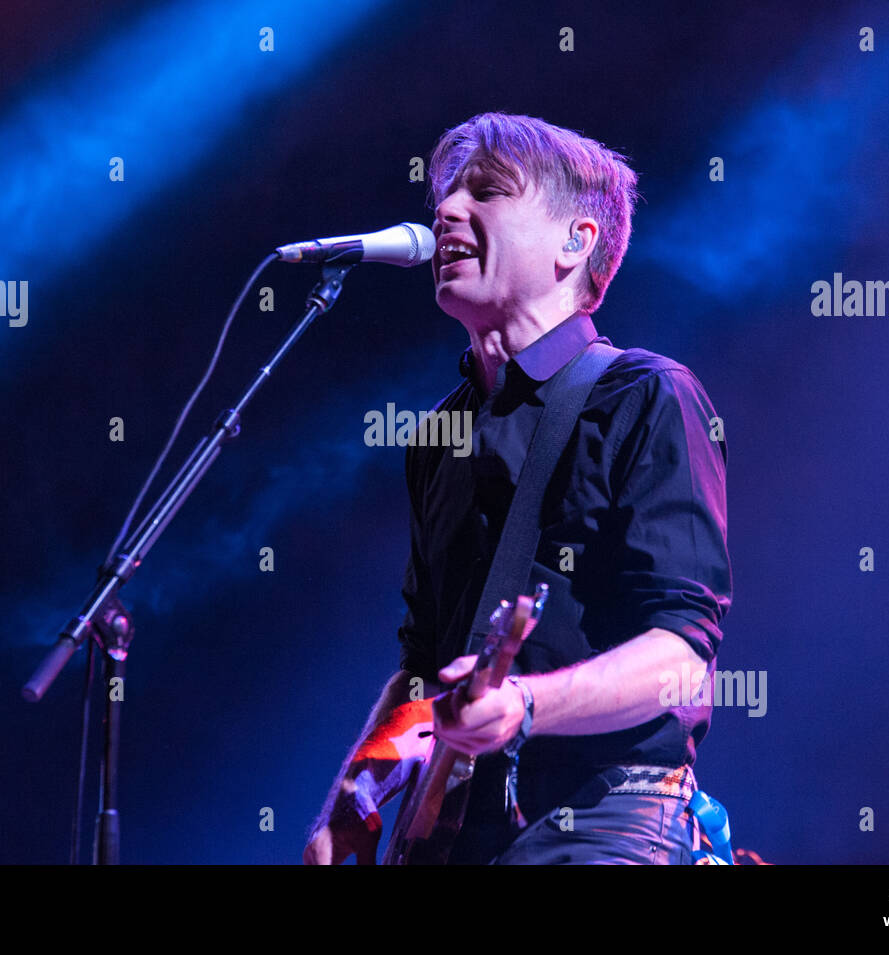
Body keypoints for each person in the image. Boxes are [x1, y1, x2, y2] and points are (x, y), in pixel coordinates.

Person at [304, 112, 732, 865]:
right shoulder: (439, 435)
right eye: (443, 195)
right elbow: (422, 666)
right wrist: (354, 800)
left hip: (604, 821)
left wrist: (526, 705)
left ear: (577, 241)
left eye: (487, 192)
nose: (445, 211)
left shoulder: (646, 395)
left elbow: (683, 663)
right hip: (458, 837)